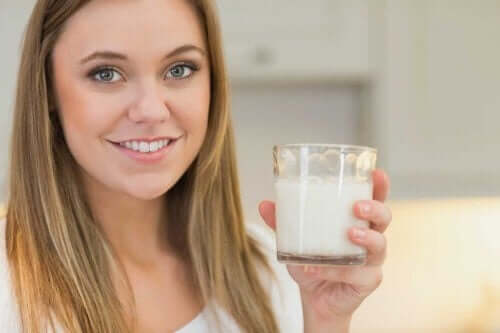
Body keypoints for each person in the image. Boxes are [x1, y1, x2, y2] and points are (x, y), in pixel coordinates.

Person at [0, 0, 393, 332]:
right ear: (47, 89)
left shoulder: (276, 271)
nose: (151, 110)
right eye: (106, 73)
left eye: (179, 69)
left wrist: (324, 319)